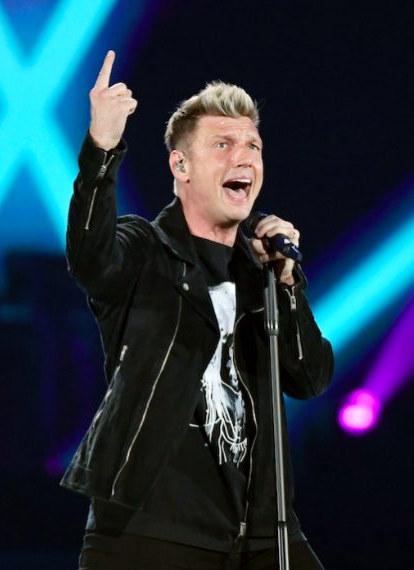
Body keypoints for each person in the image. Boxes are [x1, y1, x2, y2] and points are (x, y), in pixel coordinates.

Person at [60, 50, 334, 569]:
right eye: (223, 144)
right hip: (151, 531)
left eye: (253, 146)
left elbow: (309, 377)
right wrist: (102, 148)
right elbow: (90, 258)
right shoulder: (144, 250)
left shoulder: (262, 272)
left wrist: (286, 283)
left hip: (261, 533)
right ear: (180, 166)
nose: (243, 157)